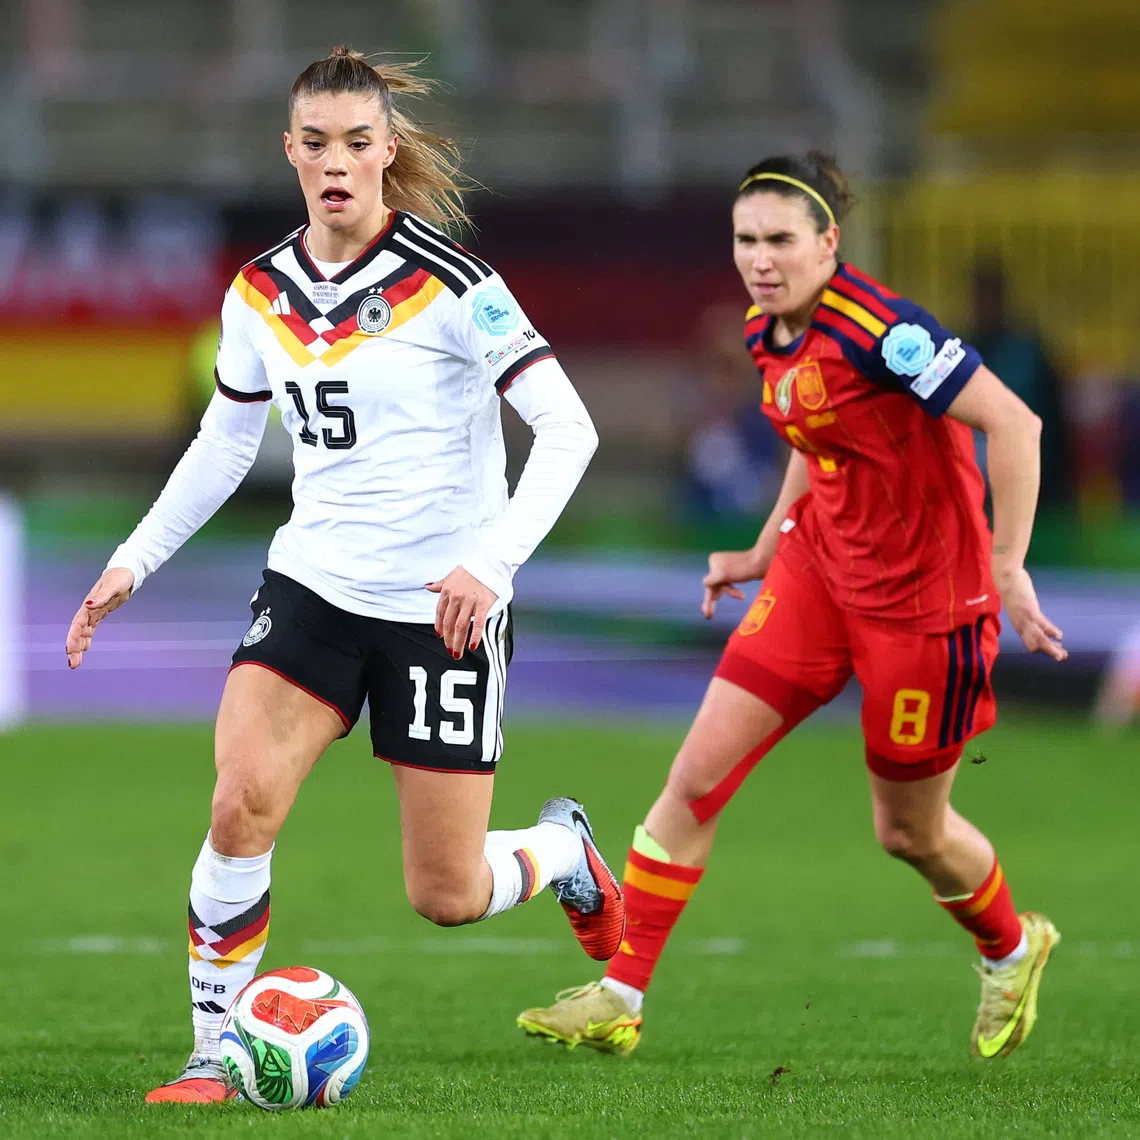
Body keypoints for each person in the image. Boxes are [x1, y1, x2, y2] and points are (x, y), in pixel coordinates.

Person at [65, 47, 623, 1104]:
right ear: (289, 150)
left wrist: (489, 564)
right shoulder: (259, 291)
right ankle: (211, 1054)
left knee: (447, 894)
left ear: (387, 150)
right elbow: (225, 445)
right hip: (313, 589)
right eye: (315, 142)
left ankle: (563, 851)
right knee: (241, 805)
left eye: (357, 142)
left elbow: (570, 429)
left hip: (439, 611)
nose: (336, 161)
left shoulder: (457, 286)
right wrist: (132, 559)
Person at [517, 151, 1066, 1061]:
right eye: (745, 240)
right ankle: (620, 994)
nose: (760, 259)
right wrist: (768, 547)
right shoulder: (768, 331)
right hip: (819, 577)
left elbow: (1015, 423)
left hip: (927, 608)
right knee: (695, 779)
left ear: (828, 244)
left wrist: (1008, 565)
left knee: (908, 832)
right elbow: (816, 439)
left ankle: (1012, 947)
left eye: (780, 240)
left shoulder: (886, 335)